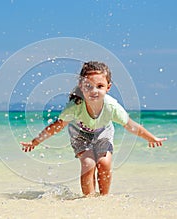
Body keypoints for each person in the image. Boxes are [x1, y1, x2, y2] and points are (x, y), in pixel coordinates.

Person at [20, 61, 167, 196]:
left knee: (104, 163)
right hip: (80, 135)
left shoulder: (112, 107)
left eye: (100, 86)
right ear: (81, 86)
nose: (94, 91)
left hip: (103, 133)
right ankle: (89, 200)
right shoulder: (75, 106)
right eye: (88, 86)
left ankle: (103, 198)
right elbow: (56, 127)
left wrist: (151, 138)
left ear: (108, 87)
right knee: (89, 163)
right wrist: (35, 142)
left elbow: (131, 125)